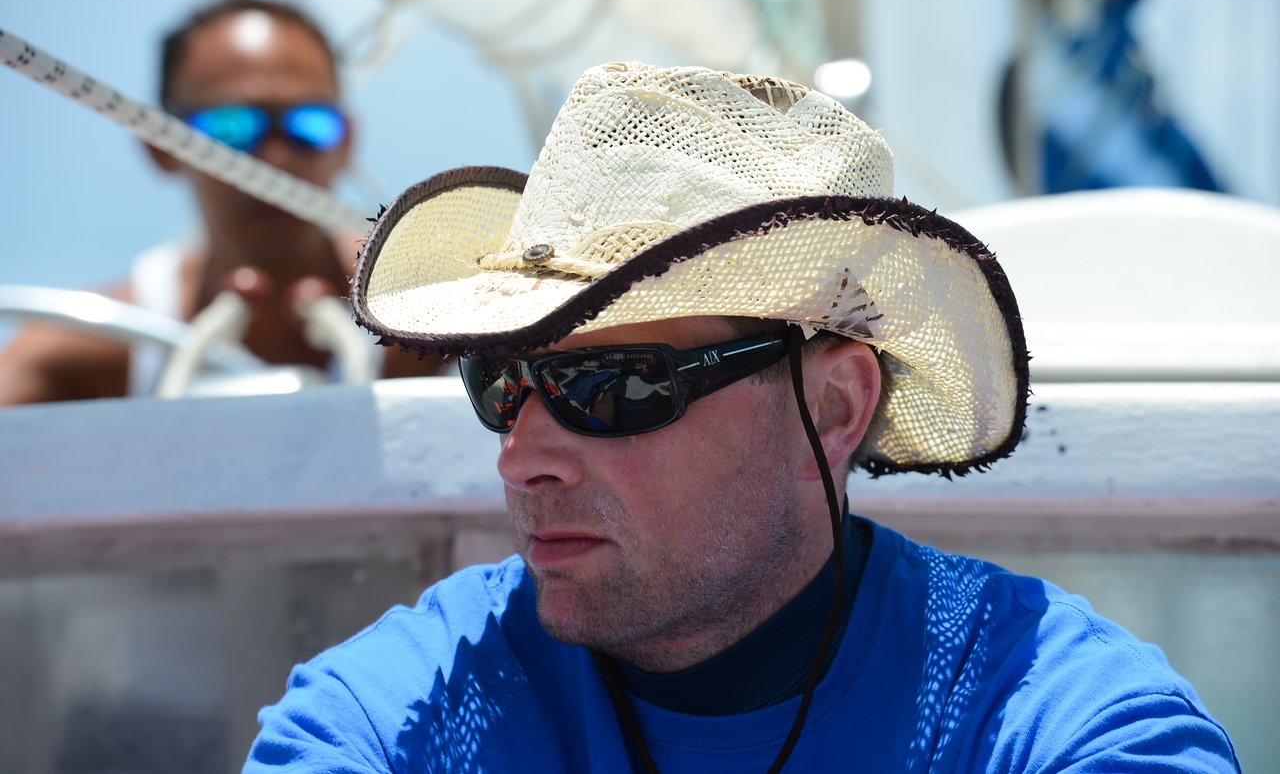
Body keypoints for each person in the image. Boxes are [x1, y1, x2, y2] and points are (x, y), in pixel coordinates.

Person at [245, 62, 1239, 771]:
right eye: (501, 382)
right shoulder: (394, 715)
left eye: (617, 385)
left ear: (835, 405)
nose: (521, 458)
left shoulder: (1045, 718)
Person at [0, 0, 442, 406]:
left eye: (310, 124)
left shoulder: (438, 313)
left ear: (346, 141)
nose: (276, 157)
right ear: (161, 146)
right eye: (230, 127)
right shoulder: (93, 347)